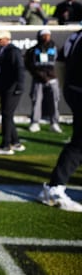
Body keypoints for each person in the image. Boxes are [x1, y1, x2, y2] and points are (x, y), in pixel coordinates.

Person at [38, 29, 82, 212]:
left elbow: (60, 62)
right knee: (80, 143)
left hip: (74, 90)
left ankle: (55, 186)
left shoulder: (76, 35)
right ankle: (55, 187)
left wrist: (67, 89)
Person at [0, 30, 26, 155]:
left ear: (6, 39)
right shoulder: (2, 50)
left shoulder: (13, 51)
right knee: (7, 115)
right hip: (6, 88)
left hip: (13, 88)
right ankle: (16, 142)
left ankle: (6, 145)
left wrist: (19, 86)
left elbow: (20, 69)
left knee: (6, 115)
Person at [24, 29, 62, 133]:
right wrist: (37, 74)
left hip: (53, 78)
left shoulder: (56, 48)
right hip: (38, 78)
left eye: (48, 35)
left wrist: (53, 75)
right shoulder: (33, 50)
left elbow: (60, 63)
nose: (46, 37)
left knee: (54, 100)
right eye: (44, 35)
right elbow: (28, 63)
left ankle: (54, 123)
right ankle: (35, 122)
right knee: (36, 100)